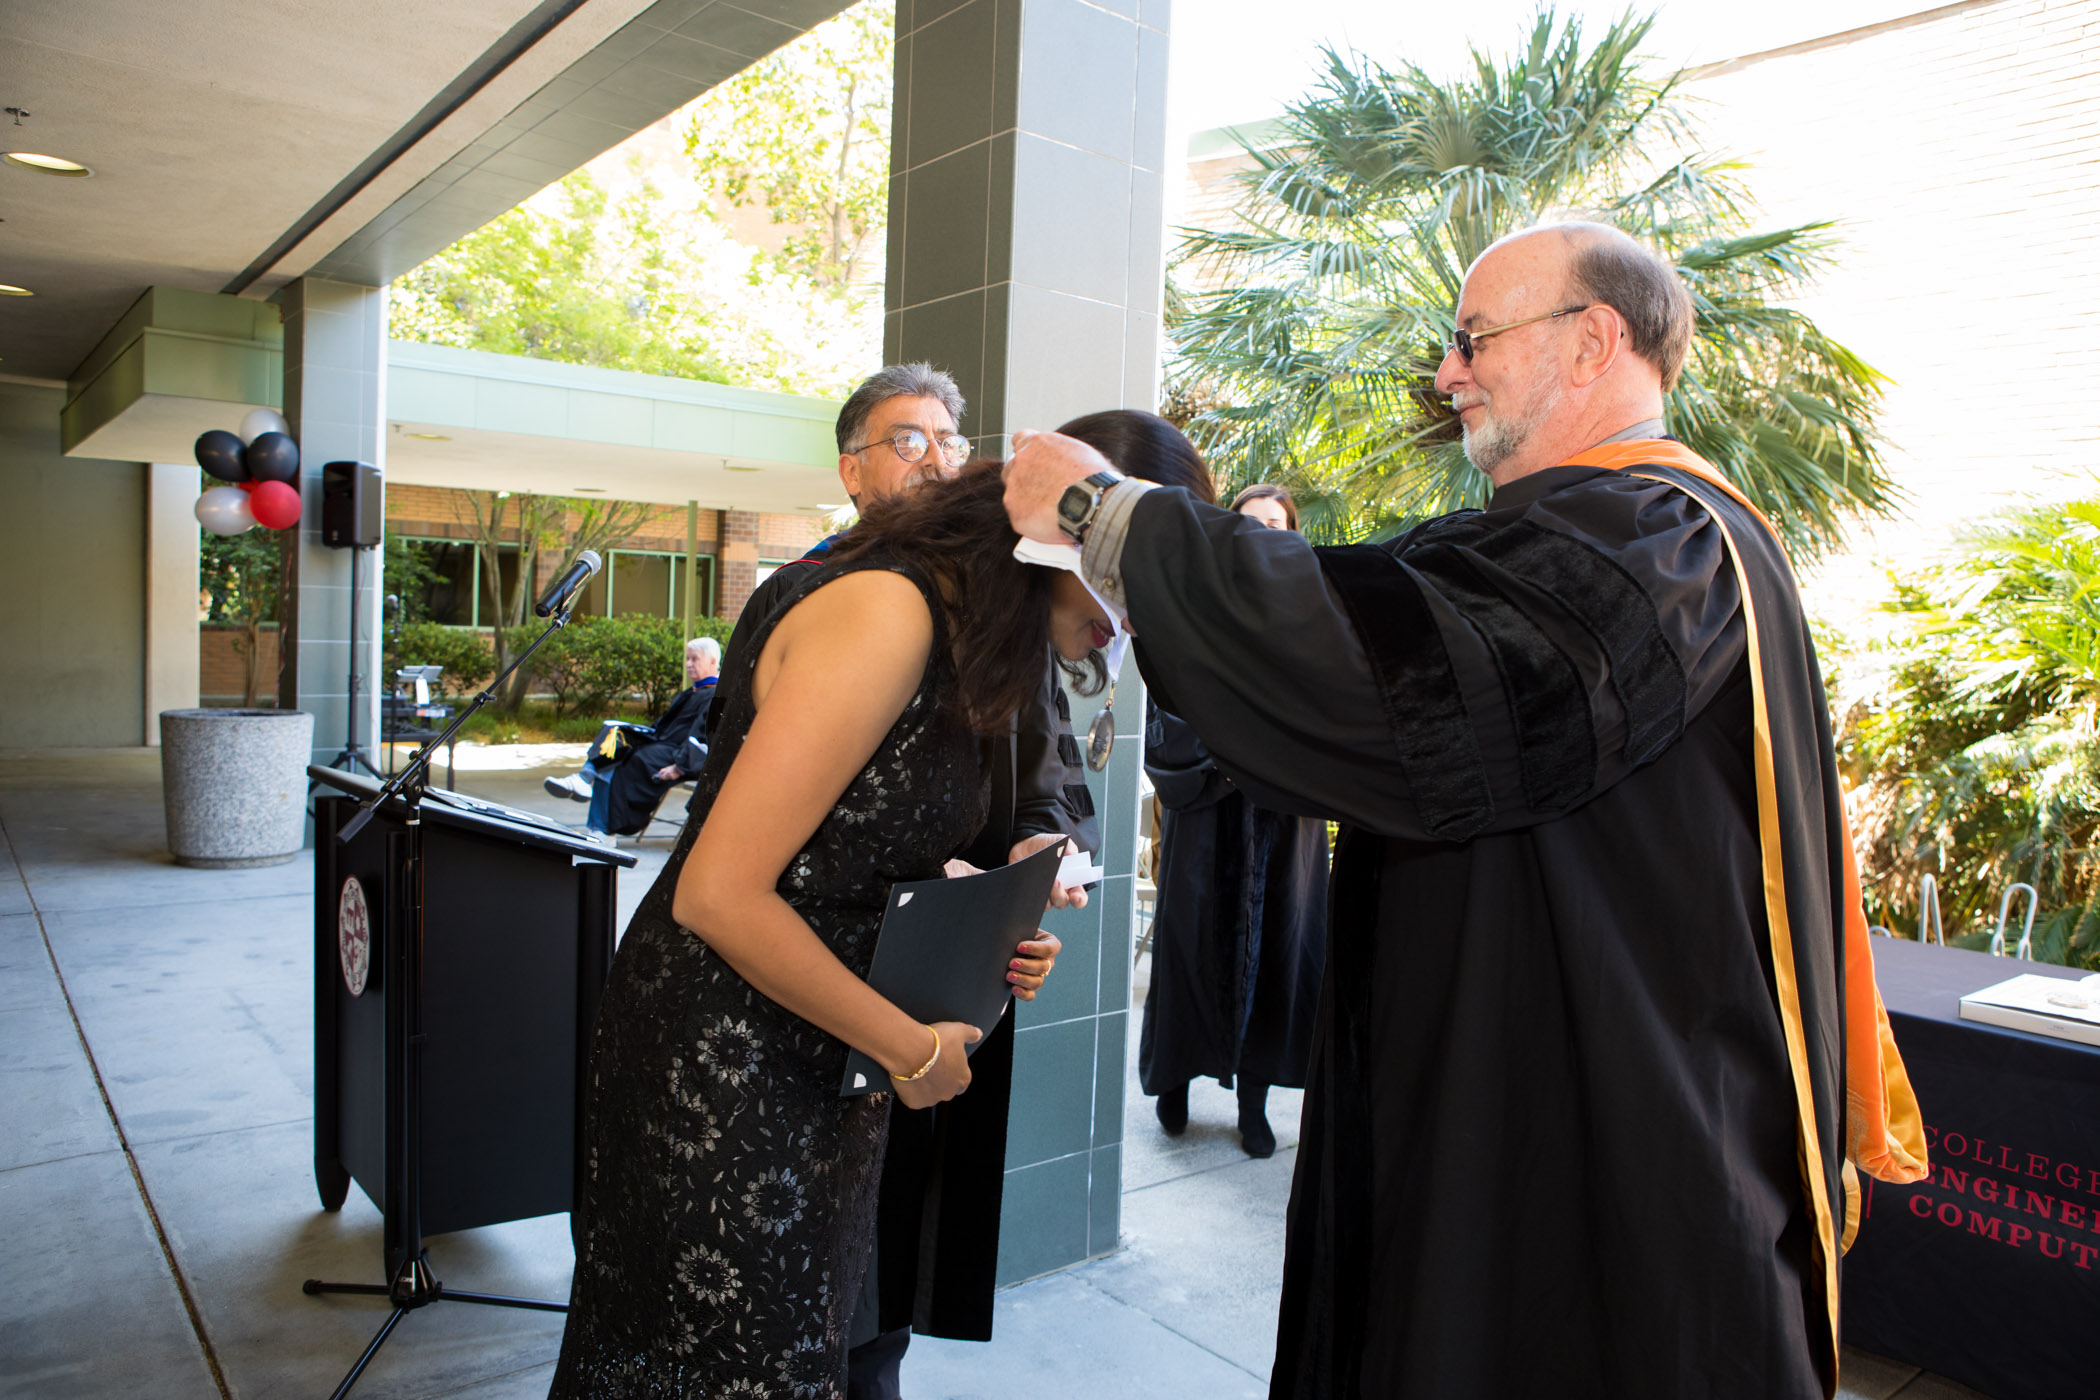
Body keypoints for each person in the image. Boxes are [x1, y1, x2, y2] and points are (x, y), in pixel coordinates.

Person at [999, 222, 1929, 1398]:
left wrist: (1105, 511)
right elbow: (1375, 620)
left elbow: (1392, 685)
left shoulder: (1658, 537)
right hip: (1536, 1075)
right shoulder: (1590, 536)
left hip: (1602, 1117)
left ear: (1592, 341)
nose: (1447, 375)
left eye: (1473, 338)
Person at [549, 462, 1118, 1397]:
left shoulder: (953, 633)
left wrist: (985, 923)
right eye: (1125, 576)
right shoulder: (887, 610)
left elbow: (848, 851)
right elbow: (717, 894)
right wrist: (912, 1049)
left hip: (818, 1048)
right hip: (729, 1049)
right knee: (725, 1366)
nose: (1124, 621)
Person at [722, 364, 1099, 1400]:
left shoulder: (993, 613)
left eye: (949, 437)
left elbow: (1046, 773)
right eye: (907, 439)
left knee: (885, 1263)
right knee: (789, 1282)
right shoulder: (814, 595)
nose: (937, 457)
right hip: (799, 979)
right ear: (850, 470)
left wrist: (1031, 859)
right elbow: (745, 841)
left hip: (930, 982)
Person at [1138, 482, 1327, 1160]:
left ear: (1293, 536)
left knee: (1278, 952)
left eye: (1277, 524)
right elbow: (1166, 715)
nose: (1264, 535)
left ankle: (1254, 1104)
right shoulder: (1193, 613)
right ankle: (1174, 1080)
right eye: (1251, 523)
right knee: (1190, 945)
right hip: (1207, 813)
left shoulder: (1317, 618)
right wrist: (1237, 754)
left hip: (1284, 822)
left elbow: (1332, 717)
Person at [544, 636, 721, 840]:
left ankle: (602, 829)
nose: (689, 664)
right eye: (687, 658)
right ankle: (584, 779)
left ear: (712, 661)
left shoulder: (715, 695)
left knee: (623, 761)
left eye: (694, 659)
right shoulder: (692, 692)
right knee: (615, 735)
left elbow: (703, 737)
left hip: (680, 754)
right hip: (663, 743)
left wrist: (679, 767)